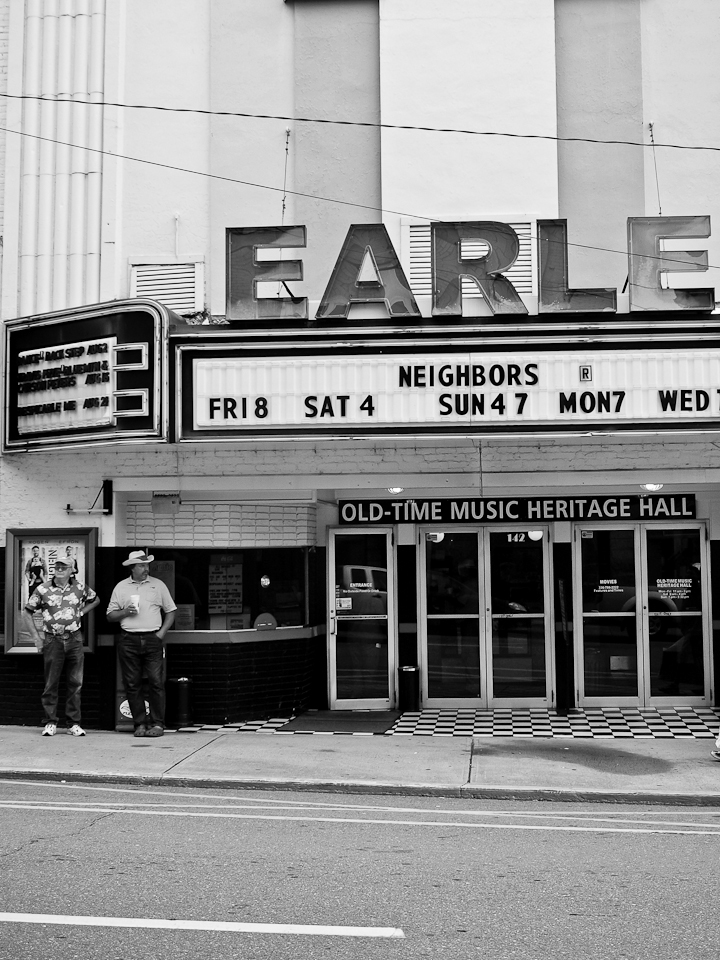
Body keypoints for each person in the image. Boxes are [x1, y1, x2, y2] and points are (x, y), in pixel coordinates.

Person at [22, 556, 100, 737]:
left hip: (74, 639)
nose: (59, 569)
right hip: (52, 640)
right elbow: (27, 612)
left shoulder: (80, 588)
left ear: (71, 569)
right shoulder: (42, 589)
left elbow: (95, 600)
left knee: (76, 683)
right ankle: (50, 722)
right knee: (51, 683)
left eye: (64, 566)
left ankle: (73, 723)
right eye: (57, 566)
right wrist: (36, 638)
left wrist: (81, 612)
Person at [106, 550, 177, 738]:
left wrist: (160, 634)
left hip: (153, 638)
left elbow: (171, 611)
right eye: (142, 565)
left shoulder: (158, 585)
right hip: (128, 639)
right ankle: (140, 724)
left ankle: (158, 724)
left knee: (155, 682)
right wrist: (125, 613)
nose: (146, 569)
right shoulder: (121, 587)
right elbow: (110, 616)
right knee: (132, 684)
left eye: (147, 565)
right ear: (132, 568)